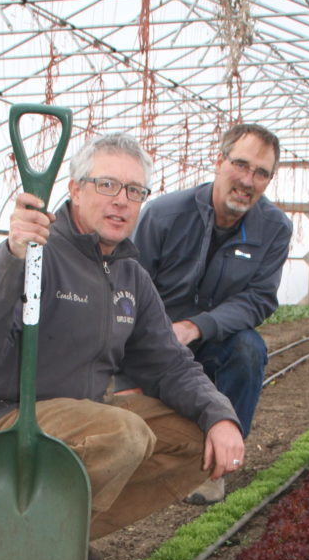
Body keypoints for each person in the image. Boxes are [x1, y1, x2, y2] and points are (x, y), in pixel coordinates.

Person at [0, 132, 245, 547]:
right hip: (2, 417)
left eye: (134, 190)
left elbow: (170, 363)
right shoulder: (35, 254)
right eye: (107, 185)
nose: (121, 200)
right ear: (75, 190)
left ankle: (58, 537)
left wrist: (219, 415)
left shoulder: (130, 276)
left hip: (84, 415)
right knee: (125, 434)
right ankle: (13, 535)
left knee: (197, 440)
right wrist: (11, 258)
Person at [123, 123, 292, 504]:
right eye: (241, 165)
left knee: (249, 350)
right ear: (219, 161)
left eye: (261, 173)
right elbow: (128, 285)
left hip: (214, 338)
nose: (248, 180)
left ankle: (213, 466)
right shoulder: (164, 215)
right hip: (154, 340)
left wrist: (197, 326)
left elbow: (260, 298)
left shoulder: (274, 228)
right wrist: (150, 337)